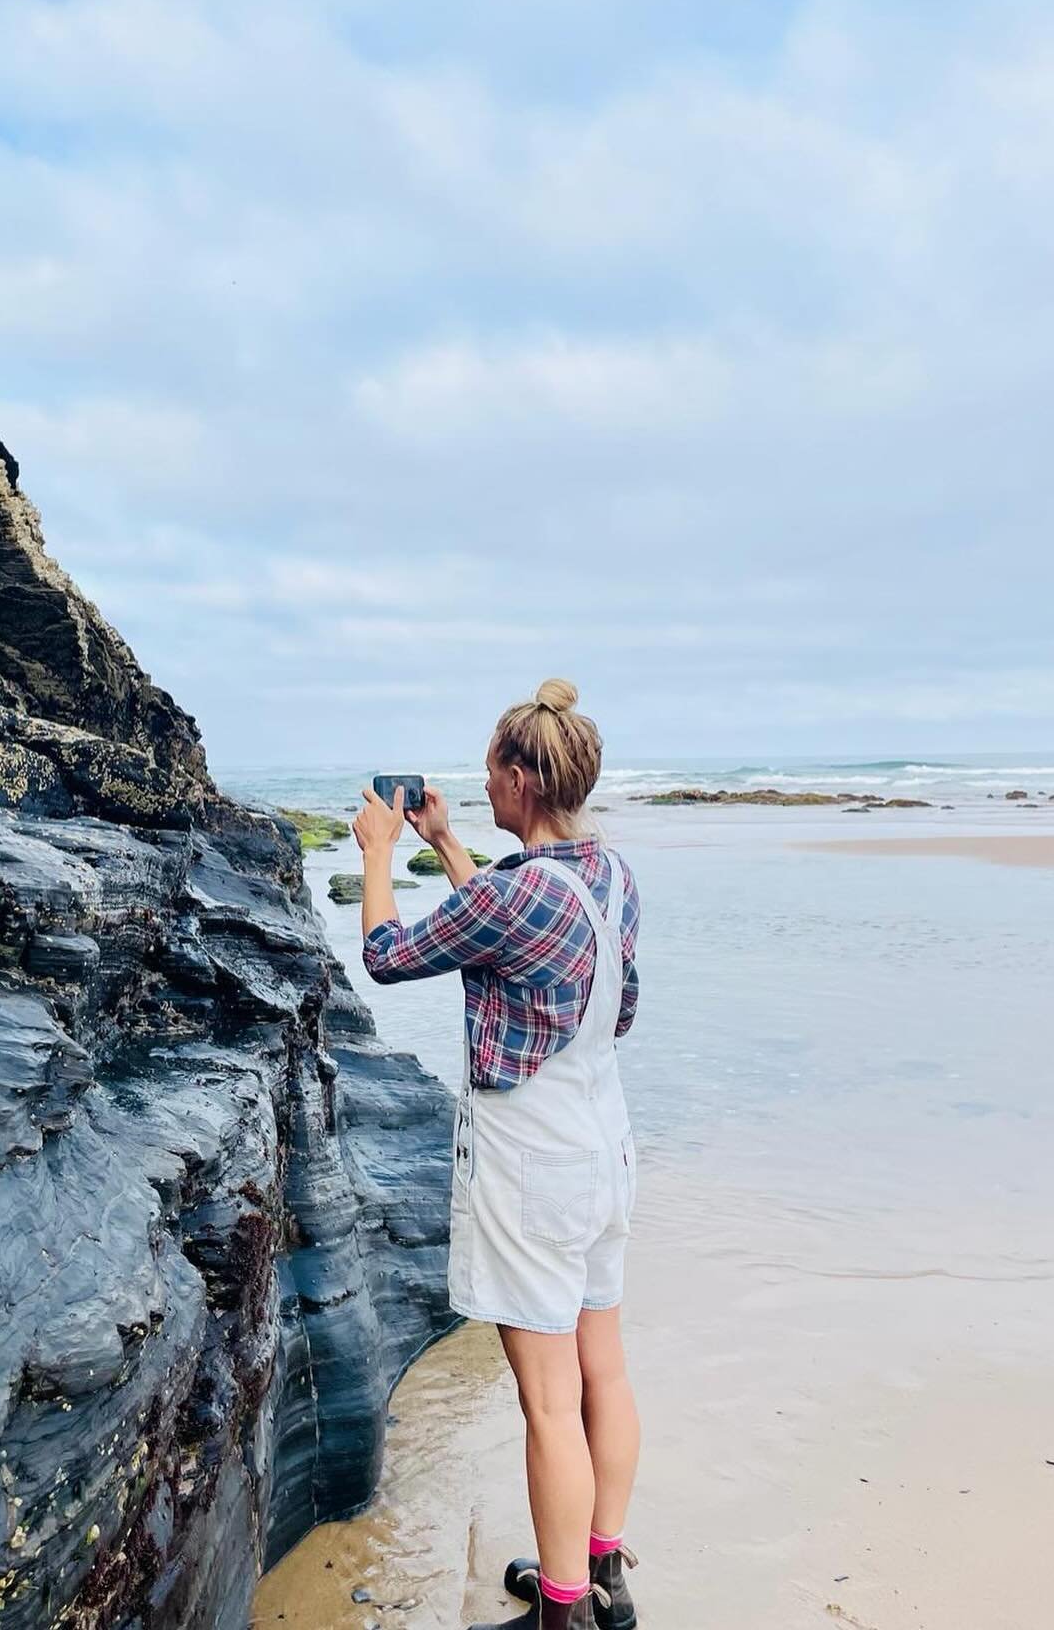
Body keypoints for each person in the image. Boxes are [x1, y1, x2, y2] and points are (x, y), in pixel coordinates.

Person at [353, 679, 642, 1630]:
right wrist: (442, 842)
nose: (483, 792)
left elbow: (390, 953)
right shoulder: (610, 878)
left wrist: (380, 853)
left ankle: (558, 1616)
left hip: (534, 1166)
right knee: (603, 1368)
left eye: (489, 780)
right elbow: (519, 928)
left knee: (549, 1404)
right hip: (605, 1146)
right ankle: (603, 1571)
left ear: (520, 779)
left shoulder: (519, 898)